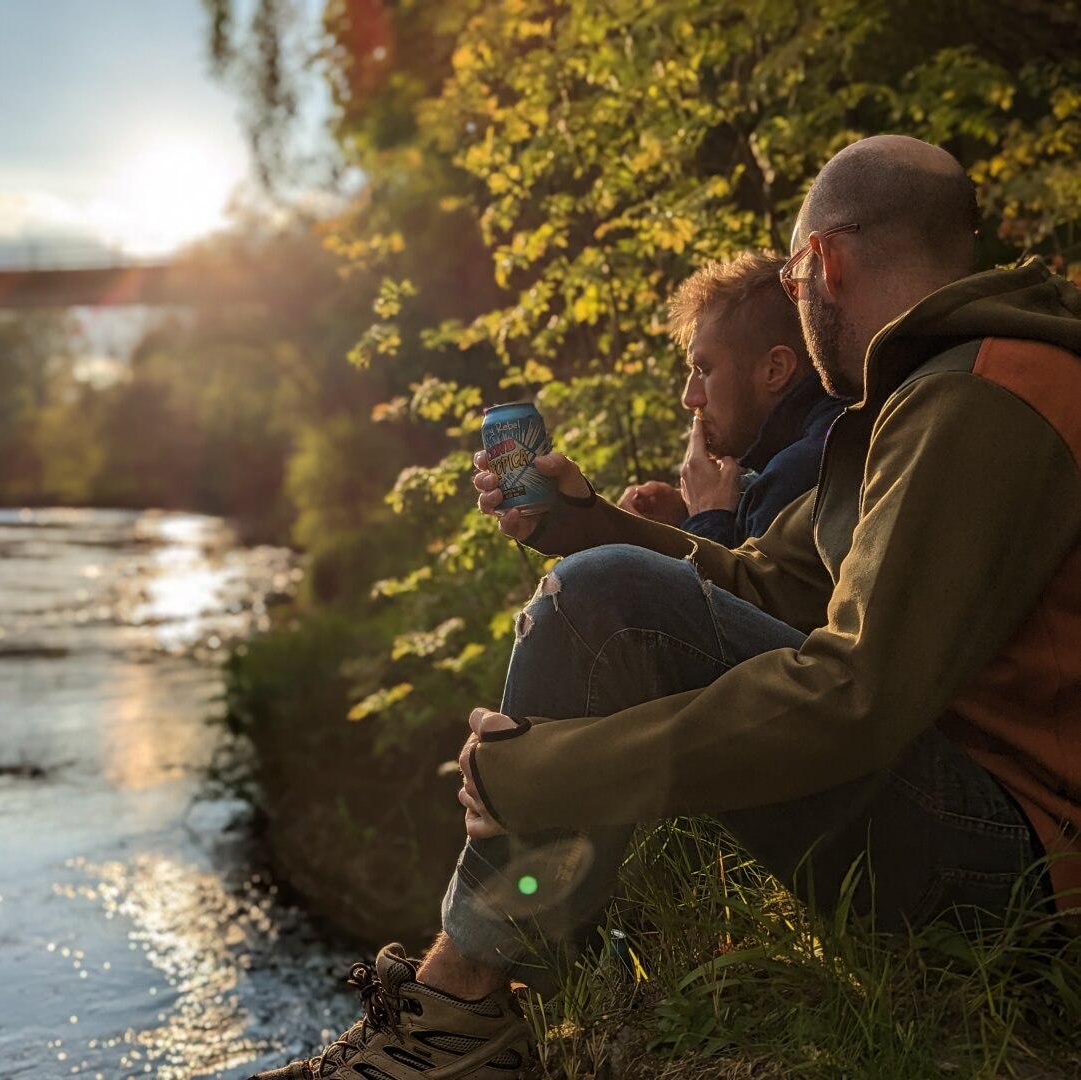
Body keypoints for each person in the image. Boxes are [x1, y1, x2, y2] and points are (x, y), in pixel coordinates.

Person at [250, 135, 1081, 1080]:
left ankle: (458, 1014)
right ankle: (465, 1002)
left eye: (796, 280)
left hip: (1027, 879)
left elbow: (855, 696)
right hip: (974, 829)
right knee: (603, 583)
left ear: (825, 263)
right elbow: (777, 588)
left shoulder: (982, 400)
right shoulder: (941, 392)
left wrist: (549, 770)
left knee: (602, 599)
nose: (801, 307)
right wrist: (586, 524)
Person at [616, 251, 848, 546]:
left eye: (704, 370)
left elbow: (715, 592)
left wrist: (708, 517)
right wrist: (688, 512)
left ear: (775, 370)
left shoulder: (794, 477)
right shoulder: (829, 432)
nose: (690, 398)